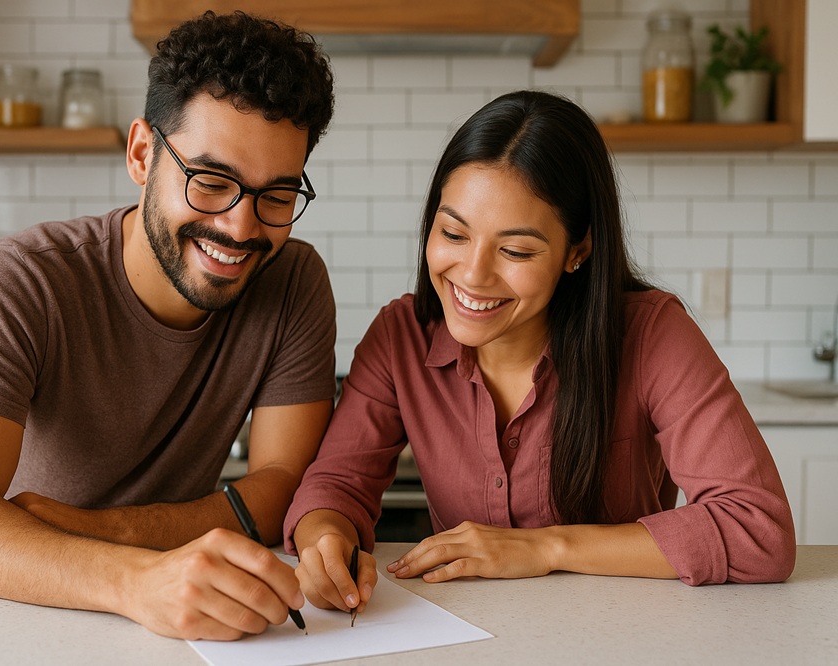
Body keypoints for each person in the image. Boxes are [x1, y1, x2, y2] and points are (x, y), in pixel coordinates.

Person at [0, 11, 336, 641]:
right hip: (18, 606)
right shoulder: (20, 282)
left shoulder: (292, 280)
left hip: (180, 609)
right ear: (141, 155)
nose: (242, 228)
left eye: (276, 195)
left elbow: (280, 490)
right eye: (211, 181)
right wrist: (133, 580)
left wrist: (108, 534)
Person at [285, 90, 797, 616]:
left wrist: (547, 547)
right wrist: (325, 539)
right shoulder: (401, 336)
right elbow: (336, 484)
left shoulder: (653, 335)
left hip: (628, 636)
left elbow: (758, 527)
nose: (473, 275)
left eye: (515, 250)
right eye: (453, 233)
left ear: (578, 250)